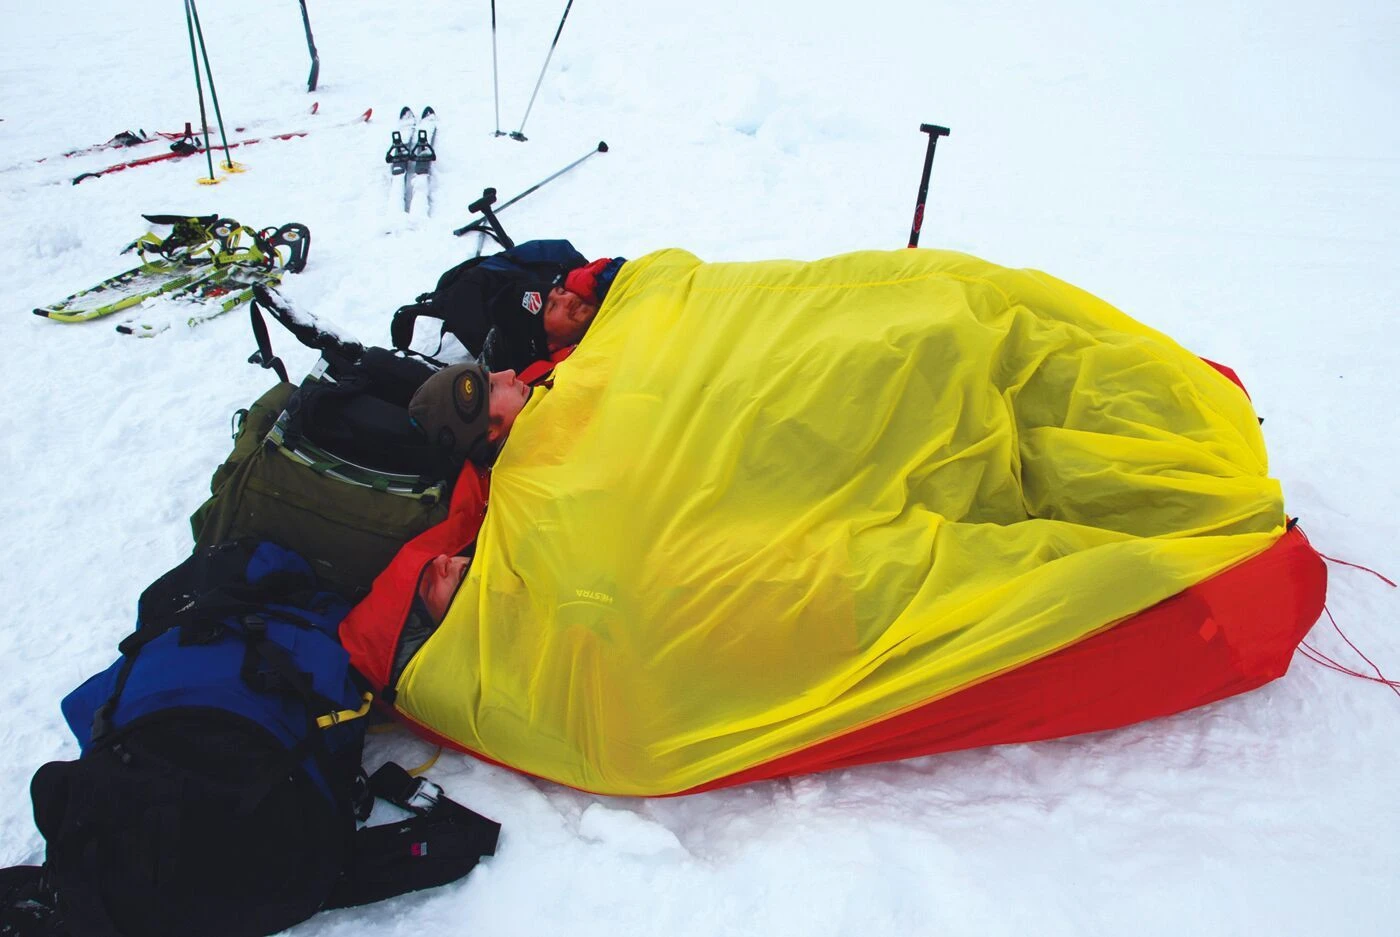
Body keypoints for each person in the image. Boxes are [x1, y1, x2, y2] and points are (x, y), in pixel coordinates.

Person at [399, 245, 626, 372]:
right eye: (552, 307)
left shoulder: (610, 288)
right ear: (550, 343)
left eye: (562, 292)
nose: (569, 300)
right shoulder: (569, 372)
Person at [408, 360, 543, 468]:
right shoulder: (536, 485)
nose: (510, 373)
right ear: (489, 432)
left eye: (492, 373)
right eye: (492, 388)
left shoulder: (539, 373)